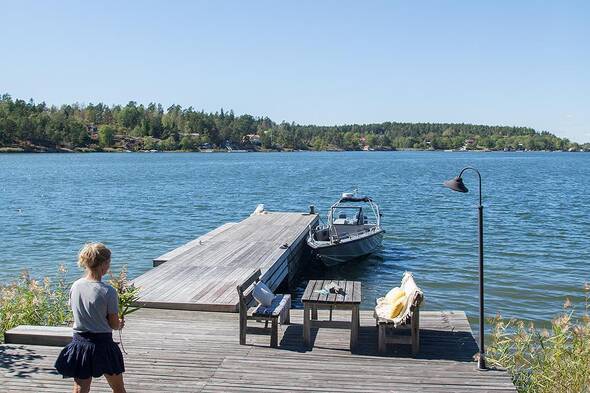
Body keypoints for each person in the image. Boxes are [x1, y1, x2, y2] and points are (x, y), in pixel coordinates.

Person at [55, 243, 126, 393]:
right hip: (103, 344)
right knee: (118, 388)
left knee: (81, 388)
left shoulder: (76, 285)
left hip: (80, 343)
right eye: (109, 263)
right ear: (103, 264)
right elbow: (113, 324)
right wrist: (119, 324)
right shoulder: (108, 291)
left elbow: (76, 311)